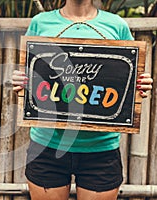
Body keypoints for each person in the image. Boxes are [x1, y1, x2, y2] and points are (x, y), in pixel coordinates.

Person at [12, 0, 153, 199]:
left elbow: (130, 76)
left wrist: (142, 83)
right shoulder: (40, 22)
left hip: (100, 149)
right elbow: (31, 73)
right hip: (47, 146)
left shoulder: (116, 25)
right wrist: (20, 80)